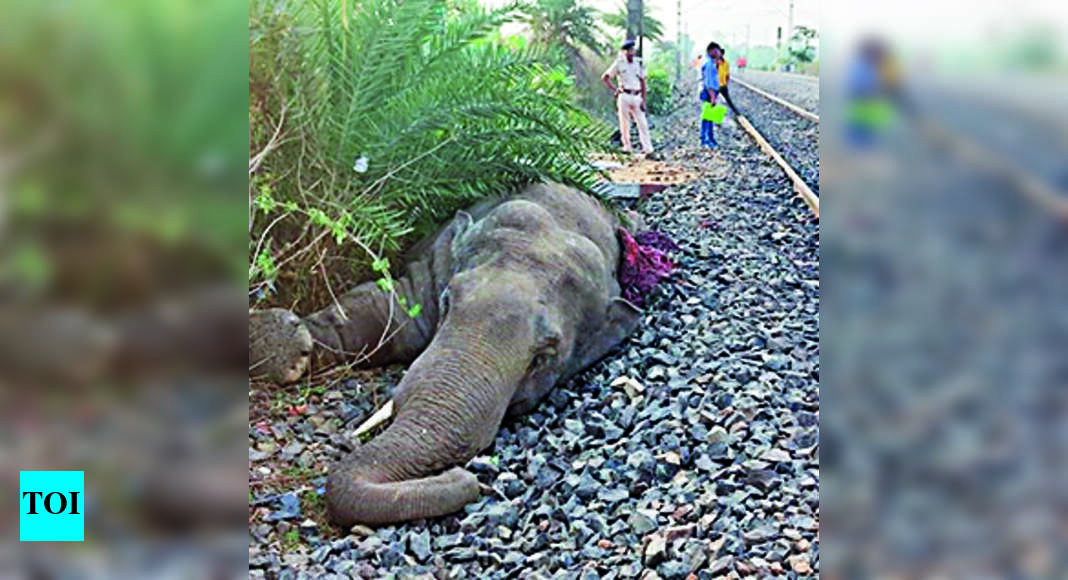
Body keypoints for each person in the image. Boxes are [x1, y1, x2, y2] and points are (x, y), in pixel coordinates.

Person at [602, 38, 653, 155]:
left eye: (632, 50)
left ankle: (648, 149)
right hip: (624, 94)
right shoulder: (619, 63)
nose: (631, 52)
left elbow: (643, 82)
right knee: (624, 123)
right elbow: (605, 77)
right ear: (624, 52)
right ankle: (627, 147)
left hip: (636, 95)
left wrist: (644, 100)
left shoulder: (638, 63)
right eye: (628, 50)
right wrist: (615, 89)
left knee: (642, 123)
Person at [699, 42, 720, 148]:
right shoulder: (709, 64)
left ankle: (710, 138)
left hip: (710, 93)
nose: (718, 53)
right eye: (716, 51)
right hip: (708, 93)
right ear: (710, 51)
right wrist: (712, 97)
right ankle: (704, 140)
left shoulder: (711, 63)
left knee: (710, 117)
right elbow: (709, 83)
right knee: (707, 117)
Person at [712, 45, 741, 116]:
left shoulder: (726, 63)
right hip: (715, 85)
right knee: (712, 101)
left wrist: (726, 83)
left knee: (728, 99)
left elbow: (727, 74)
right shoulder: (713, 63)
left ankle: (736, 112)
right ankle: (712, 116)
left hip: (723, 85)